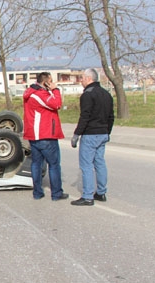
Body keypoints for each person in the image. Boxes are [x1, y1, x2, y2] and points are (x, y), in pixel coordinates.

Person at [70, 68, 115, 206]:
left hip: (90, 134)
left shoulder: (87, 95)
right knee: (100, 163)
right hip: (102, 133)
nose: (81, 81)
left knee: (86, 165)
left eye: (82, 78)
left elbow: (85, 116)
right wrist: (107, 132)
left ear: (89, 78)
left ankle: (88, 196)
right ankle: (101, 192)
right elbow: (111, 116)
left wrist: (77, 134)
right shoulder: (107, 94)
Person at [23, 72, 69, 201]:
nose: (53, 82)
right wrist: (55, 90)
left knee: (36, 163)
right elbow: (56, 104)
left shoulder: (30, 93)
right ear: (46, 82)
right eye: (51, 81)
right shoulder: (40, 94)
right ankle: (56, 193)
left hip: (34, 135)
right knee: (54, 164)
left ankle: (37, 192)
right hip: (46, 134)